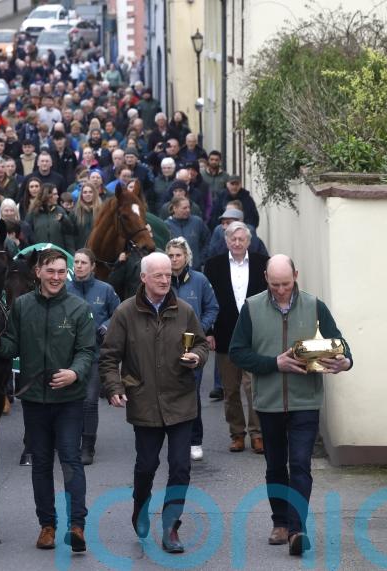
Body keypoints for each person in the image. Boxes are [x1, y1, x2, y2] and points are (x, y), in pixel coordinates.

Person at [229, 255, 352, 556]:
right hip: (269, 402)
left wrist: (344, 362)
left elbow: (340, 343)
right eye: (275, 285)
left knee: (299, 464)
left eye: (286, 283)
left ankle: (297, 529)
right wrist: (275, 363)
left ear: (296, 275)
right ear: (265, 279)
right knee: (274, 465)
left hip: (305, 400)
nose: (281, 290)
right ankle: (279, 522)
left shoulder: (314, 305)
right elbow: (237, 353)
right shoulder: (253, 307)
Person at [0, 248, 96, 553]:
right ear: (38, 273)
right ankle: (47, 526)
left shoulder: (78, 307)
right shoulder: (21, 306)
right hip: (34, 399)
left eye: (62, 272)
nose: (57, 277)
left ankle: (77, 526)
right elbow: (12, 344)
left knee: (71, 461)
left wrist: (74, 373)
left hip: (69, 400)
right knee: (41, 464)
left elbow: (88, 351)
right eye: (51, 271)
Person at [99, 252, 209, 553]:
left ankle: (172, 527)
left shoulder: (184, 310)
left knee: (180, 468)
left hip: (181, 400)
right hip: (144, 401)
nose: (164, 280)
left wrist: (197, 357)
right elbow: (109, 357)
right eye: (157, 275)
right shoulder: (124, 313)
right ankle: (140, 506)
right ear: (143, 278)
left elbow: (200, 343)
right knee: (146, 466)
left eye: (167, 274)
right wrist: (114, 386)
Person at [203, 222, 268, 453]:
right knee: (230, 389)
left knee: (254, 387)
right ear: (226, 241)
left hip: (255, 335)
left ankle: (257, 434)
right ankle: (237, 433)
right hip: (225, 334)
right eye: (233, 239)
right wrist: (208, 332)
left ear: (249, 242)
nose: (238, 243)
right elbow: (206, 302)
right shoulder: (213, 266)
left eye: (242, 239)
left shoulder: (262, 263)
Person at [165, 238, 219, 461]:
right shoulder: (162, 280)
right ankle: (175, 439)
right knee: (169, 393)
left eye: (178, 255)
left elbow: (212, 307)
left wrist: (200, 329)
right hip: (166, 347)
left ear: (186, 257)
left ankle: (195, 440)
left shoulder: (200, 280)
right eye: (170, 255)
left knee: (191, 393)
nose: (174, 259)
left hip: (193, 347)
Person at [66, 249, 120, 465]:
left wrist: (106, 326)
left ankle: (88, 446)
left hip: (96, 355)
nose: (79, 266)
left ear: (93, 266)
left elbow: (119, 313)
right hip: (68, 355)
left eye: (83, 262)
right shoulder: (65, 289)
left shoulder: (105, 290)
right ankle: (69, 441)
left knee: (89, 402)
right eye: (76, 262)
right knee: (71, 402)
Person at [25, 184, 76, 253]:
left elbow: (69, 232)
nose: (57, 196)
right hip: (39, 255)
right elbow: (27, 235)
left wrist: (64, 220)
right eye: (54, 194)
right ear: (47, 195)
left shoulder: (60, 211)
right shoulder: (33, 213)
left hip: (58, 255)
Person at [164, 196, 210, 271]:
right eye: (184, 208)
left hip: (195, 269)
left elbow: (207, 241)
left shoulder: (197, 222)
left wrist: (201, 259)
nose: (188, 210)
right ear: (175, 208)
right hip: (174, 270)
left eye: (189, 207)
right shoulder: (166, 225)